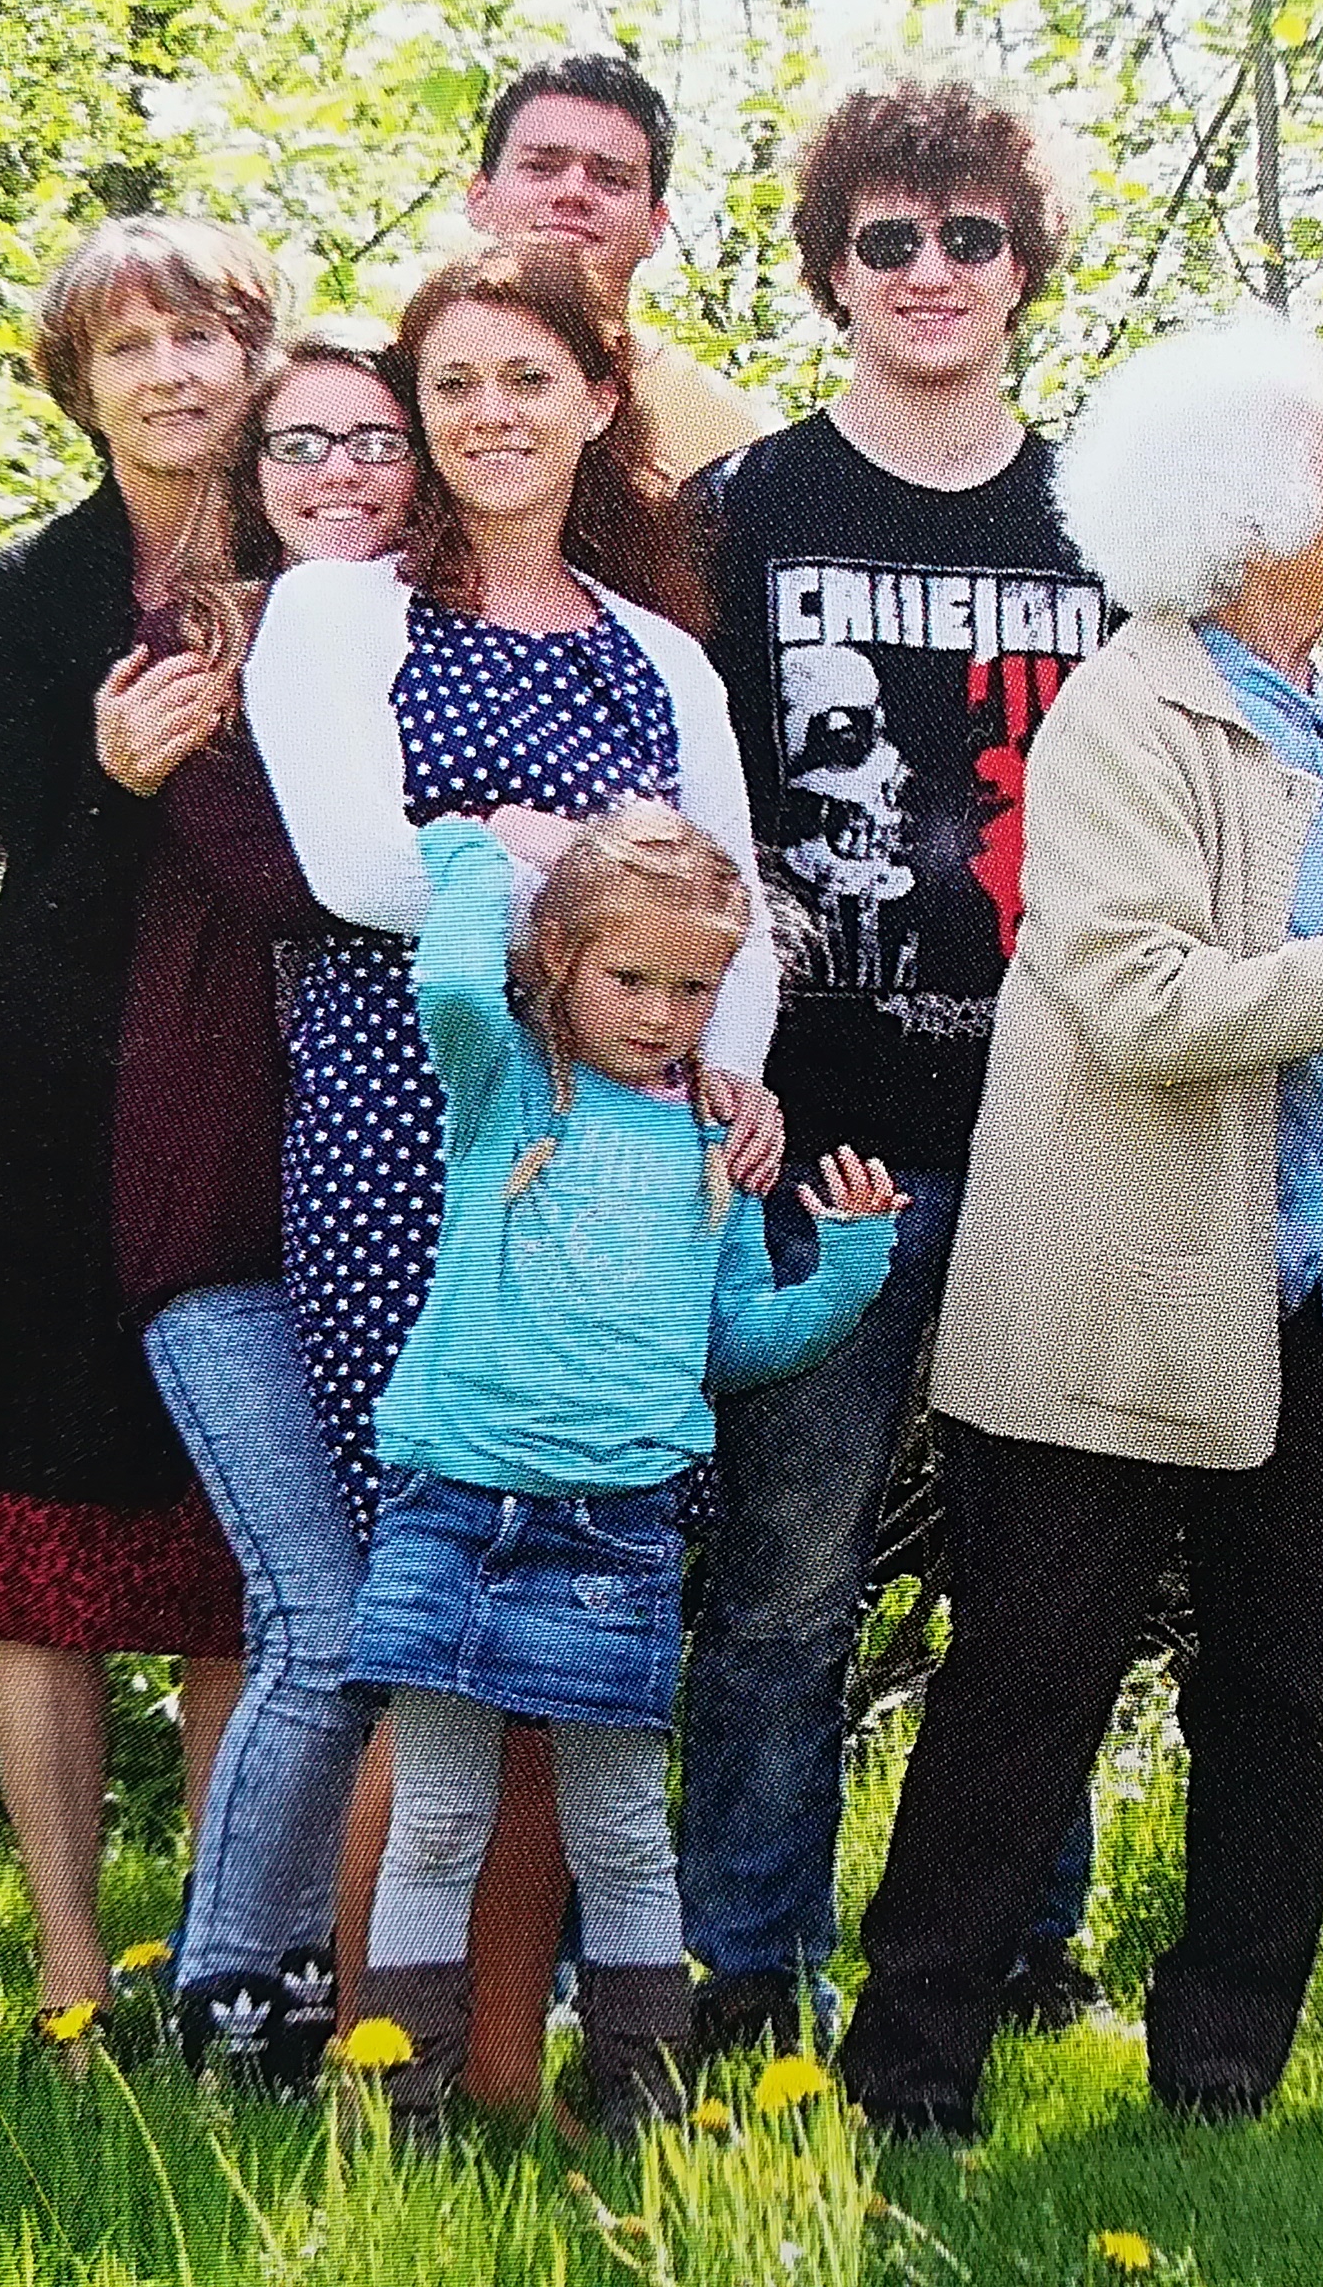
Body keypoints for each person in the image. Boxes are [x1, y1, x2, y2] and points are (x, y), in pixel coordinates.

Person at [835, 313, 1323, 2140]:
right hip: (1116, 1291)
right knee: (1027, 1684)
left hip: (1317, 1293)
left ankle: (1223, 2074)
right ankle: (907, 2078)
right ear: (1248, 514)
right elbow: (1145, 1003)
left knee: (1276, 1691)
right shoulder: (1124, 714)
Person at [245, 241, 785, 2126]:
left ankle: (505, 2076)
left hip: (620, 1187)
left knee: (575, 1640)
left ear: (597, 403)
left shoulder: (659, 655)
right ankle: (378, 2082)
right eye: (453, 384)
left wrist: (730, 1082)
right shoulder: (343, 612)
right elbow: (353, 866)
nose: (489, 415)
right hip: (409, 1149)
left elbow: (730, 910)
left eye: (527, 379)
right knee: (427, 1631)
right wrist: (569, 869)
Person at [680, 73, 1108, 2063]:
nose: (930, 270)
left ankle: (1016, 1946)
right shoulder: (740, 516)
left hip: (1060, 1139)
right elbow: (677, 818)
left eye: (970, 236)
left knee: (1042, 1585)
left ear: (1023, 268)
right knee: (785, 1585)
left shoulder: (1107, 520)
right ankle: (744, 1970)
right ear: (831, 270)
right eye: (888, 239)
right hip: (811, 1142)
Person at [349, 804, 898, 2135]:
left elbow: (736, 1344)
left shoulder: (711, 1145)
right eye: (629, 979)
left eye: (694, 989)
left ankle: (641, 2103)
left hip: (618, 1532)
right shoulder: (503, 1085)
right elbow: (450, 983)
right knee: (438, 1818)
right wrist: (477, 860)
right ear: (559, 962)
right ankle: (400, 2109)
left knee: (623, 1832)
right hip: (457, 1503)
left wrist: (850, 1268)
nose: (661, 1015)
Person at [0, 216, 278, 2038]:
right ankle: (65, 1964)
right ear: (78, 388)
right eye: (130, 347)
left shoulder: (329, 548)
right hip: (53, 1107)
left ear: (256, 358)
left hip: (261, 1096)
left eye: (202, 335)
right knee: (33, 1549)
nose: (172, 372)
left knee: (237, 1554)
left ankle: (222, 1951)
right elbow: (42, 861)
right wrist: (117, 784)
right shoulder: (31, 594)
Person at [89, 318, 416, 2089]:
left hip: (401, 1205)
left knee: (386, 1612)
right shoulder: (193, 661)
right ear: (250, 475)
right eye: (301, 443)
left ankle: (328, 1966)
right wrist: (514, 850)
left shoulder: (443, 641)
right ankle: (228, 1991)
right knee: (320, 1605)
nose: (340, 472)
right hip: (222, 1209)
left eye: (375, 440)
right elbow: (308, 884)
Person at [463, 51, 774, 487]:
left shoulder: (726, 434)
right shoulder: (389, 390)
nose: (573, 192)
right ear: (479, 196)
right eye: (541, 167)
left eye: (610, 178)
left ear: (654, 227)